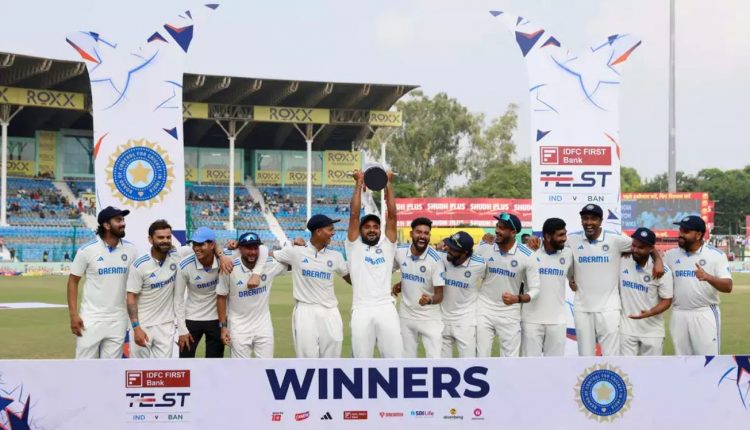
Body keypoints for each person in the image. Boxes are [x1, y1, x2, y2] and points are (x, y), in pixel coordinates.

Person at [567, 203, 664, 356]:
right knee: (585, 356)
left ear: (601, 221)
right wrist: (570, 276)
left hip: (609, 309)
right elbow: (558, 253)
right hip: (582, 308)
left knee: (611, 356)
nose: (589, 222)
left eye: (593, 219)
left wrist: (658, 259)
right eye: (585, 218)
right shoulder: (572, 239)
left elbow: (644, 244)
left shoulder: (615, 239)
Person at [273, 214, 350, 358]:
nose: (333, 233)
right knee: (307, 359)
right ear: (318, 231)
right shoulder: (296, 251)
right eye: (330, 229)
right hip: (305, 311)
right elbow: (268, 254)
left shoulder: (336, 256)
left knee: (332, 360)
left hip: (330, 311)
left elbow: (351, 279)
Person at [66, 206, 138, 359]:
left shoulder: (131, 250)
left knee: (111, 369)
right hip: (91, 318)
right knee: (84, 367)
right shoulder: (87, 250)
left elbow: (136, 284)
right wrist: (73, 315)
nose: (123, 223)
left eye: (123, 219)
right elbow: (73, 281)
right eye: (118, 220)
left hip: (118, 319)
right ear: (106, 225)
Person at [346, 169, 403, 358]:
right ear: (360, 230)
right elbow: (354, 215)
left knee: (395, 359)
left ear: (380, 230)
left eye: (376, 227)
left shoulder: (387, 246)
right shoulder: (354, 246)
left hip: (386, 308)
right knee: (362, 361)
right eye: (367, 227)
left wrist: (388, 184)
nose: (372, 230)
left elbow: (392, 216)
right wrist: (358, 184)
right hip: (361, 309)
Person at [664, 215, 732, 355]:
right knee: (682, 360)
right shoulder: (670, 255)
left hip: (704, 313)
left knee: (708, 360)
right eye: (680, 230)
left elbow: (728, 286)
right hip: (678, 314)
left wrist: (708, 277)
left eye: (686, 231)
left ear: (699, 235)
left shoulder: (716, 255)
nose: (680, 234)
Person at [126, 220, 192, 358]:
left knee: (163, 369)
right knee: (140, 368)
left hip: (166, 326)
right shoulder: (139, 265)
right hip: (143, 325)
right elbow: (131, 297)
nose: (165, 241)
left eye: (168, 237)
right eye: (160, 237)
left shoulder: (177, 256)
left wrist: (221, 254)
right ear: (150, 239)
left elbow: (205, 247)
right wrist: (136, 327)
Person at [476, 212, 540, 357]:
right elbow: (470, 273)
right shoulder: (485, 247)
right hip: (484, 309)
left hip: (509, 312)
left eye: (502, 228)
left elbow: (536, 289)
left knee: (510, 360)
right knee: (481, 356)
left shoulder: (527, 255)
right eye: (497, 226)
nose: (497, 230)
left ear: (513, 232)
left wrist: (517, 298)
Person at [217, 232, 288, 358]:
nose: (253, 252)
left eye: (255, 248)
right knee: (240, 367)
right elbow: (221, 297)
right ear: (240, 249)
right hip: (239, 327)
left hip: (263, 327)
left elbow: (293, 261)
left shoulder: (269, 264)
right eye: (248, 248)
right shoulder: (229, 267)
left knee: (266, 366)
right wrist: (223, 327)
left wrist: (297, 245)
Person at [174, 227, 235, 358]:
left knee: (214, 362)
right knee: (185, 361)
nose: (196, 248)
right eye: (194, 244)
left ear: (212, 245)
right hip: (192, 317)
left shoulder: (224, 259)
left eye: (201, 244)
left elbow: (253, 248)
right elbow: (178, 299)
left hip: (216, 319)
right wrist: (182, 330)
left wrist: (233, 246)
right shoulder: (184, 265)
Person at [392, 217, 445, 358]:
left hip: (429, 318)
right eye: (418, 232)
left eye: (426, 233)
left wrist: (429, 300)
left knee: (435, 361)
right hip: (406, 316)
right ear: (411, 234)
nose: (422, 236)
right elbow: (387, 271)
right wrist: (400, 285)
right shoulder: (400, 252)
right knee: (407, 360)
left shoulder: (435, 260)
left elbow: (439, 296)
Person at [521, 217, 573, 357]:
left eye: (565, 234)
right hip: (531, 321)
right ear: (548, 236)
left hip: (557, 321)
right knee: (530, 366)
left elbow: (573, 279)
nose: (564, 238)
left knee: (555, 366)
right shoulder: (530, 250)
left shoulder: (568, 254)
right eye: (560, 235)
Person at [619, 227, 674, 356]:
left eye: (641, 247)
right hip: (627, 330)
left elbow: (667, 301)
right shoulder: (623, 259)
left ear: (650, 249)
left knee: (651, 368)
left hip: (652, 332)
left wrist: (650, 312)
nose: (635, 250)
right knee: (626, 367)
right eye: (633, 246)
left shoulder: (663, 271)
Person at [439, 231, 486, 358]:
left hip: (466, 322)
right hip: (442, 320)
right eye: (449, 246)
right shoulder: (441, 258)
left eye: (453, 249)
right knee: (442, 365)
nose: (448, 250)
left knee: (468, 363)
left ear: (465, 252)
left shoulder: (480, 264)